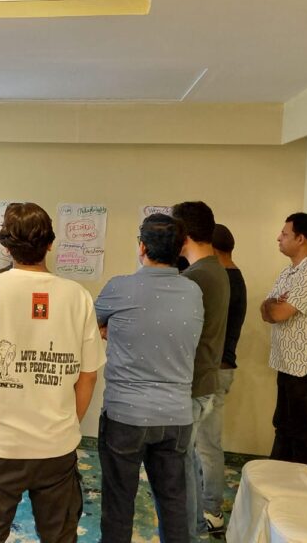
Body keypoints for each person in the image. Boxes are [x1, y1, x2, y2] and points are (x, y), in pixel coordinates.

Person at [0, 202, 105, 543]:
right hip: (56, 447)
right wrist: (67, 423)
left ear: (5, 247)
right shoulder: (78, 296)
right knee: (60, 536)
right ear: (50, 244)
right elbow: (88, 375)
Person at [95, 214, 204, 543]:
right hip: (176, 417)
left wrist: (116, 330)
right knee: (173, 504)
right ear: (180, 249)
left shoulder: (119, 287)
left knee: (118, 504)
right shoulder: (193, 292)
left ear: (142, 247)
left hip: (125, 415)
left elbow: (90, 326)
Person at [171, 200, 229, 542]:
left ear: (184, 234)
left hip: (192, 385)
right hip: (203, 381)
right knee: (189, 461)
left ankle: (192, 532)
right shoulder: (214, 269)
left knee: (181, 467)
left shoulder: (196, 278)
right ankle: (194, 528)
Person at [261, 212, 307, 466]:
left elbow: (278, 313)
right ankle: (276, 480)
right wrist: (272, 305)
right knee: (282, 426)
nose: (278, 238)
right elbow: (265, 311)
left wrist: (274, 306)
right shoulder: (289, 272)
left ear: (301, 239)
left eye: (284, 234)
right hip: (288, 363)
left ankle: (298, 487)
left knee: (301, 435)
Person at [197, 223, 247, 531]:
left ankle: (211, 511)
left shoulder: (222, 281)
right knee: (202, 444)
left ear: (212, 249)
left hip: (215, 372)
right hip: (221, 370)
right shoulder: (235, 277)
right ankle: (203, 504)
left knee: (207, 446)